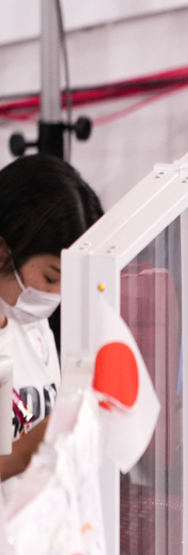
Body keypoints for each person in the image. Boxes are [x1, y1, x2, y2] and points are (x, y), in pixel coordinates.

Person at [0, 154, 102, 480]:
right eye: (50, 277)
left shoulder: (31, 323)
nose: (56, 296)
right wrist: (27, 451)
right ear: (3, 252)